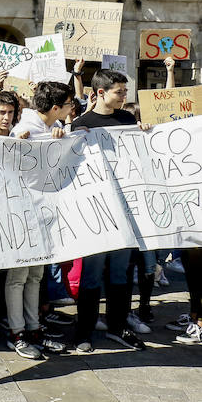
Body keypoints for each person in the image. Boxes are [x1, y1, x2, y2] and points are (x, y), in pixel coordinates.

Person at [70, 69, 151, 354]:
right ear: (100, 92)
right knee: (91, 276)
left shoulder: (128, 120)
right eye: (119, 92)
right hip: (96, 213)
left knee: (121, 273)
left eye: (125, 91)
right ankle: (84, 331)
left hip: (126, 211)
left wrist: (145, 134)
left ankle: (118, 326)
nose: (124, 96)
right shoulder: (81, 123)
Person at [7, 81, 73, 359]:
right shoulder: (24, 131)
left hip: (45, 214)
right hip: (22, 214)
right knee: (18, 276)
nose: (72, 108)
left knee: (36, 275)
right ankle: (17, 333)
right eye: (69, 104)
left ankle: (34, 327)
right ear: (56, 108)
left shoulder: (50, 130)